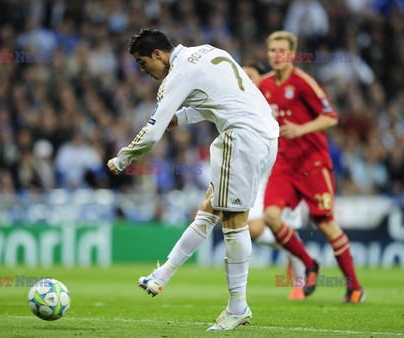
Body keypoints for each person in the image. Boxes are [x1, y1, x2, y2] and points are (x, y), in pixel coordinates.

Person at [107, 28, 280, 331]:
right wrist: (182, 117)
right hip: (266, 133)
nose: (142, 69)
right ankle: (162, 276)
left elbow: (151, 134)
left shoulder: (177, 75)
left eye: (141, 61)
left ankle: (238, 307)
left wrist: (122, 158)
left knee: (234, 220)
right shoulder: (209, 51)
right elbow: (220, 99)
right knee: (210, 207)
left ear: (157, 54)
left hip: (241, 137)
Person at [259, 31, 365, 303]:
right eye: (272, 50)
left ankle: (354, 287)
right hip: (283, 164)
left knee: (327, 226)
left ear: (292, 54)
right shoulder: (265, 85)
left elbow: (331, 117)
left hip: (313, 165)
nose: (276, 55)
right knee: (271, 216)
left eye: (282, 50)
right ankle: (309, 263)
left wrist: (301, 128)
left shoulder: (304, 83)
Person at [243, 63, 306, 301]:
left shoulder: (280, 102)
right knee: (253, 228)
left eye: (250, 75)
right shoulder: (241, 102)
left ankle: (299, 284)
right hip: (258, 175)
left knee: (283, 226)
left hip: (285, 172)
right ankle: (291, 250)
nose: (245, 79)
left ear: (263, 79)